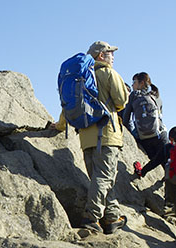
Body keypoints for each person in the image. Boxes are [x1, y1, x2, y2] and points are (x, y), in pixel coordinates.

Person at [55, 41, 129, 234]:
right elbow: (121, 101)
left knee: (102, 178)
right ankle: (91, 217)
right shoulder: (107, 73)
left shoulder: (79, 77)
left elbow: (67, 108)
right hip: (107, 135)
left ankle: (112, 217)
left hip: (86, 138)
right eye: (110, 53)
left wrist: (59, 126)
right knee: (104, 178)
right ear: (101, 56)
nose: (113, 56)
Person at [133, 126, 176, 244]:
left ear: (171, 138)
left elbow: (154, 162)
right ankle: (170, 203)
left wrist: (141, 172)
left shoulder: (169, 148)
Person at [122, 72, 167, 160]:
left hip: (143, 137)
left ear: (141, 83)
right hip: (159, 135)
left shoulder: (134, 95)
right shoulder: (156, 96)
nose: (132, 85)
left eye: (134, 82)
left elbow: (126, 118)